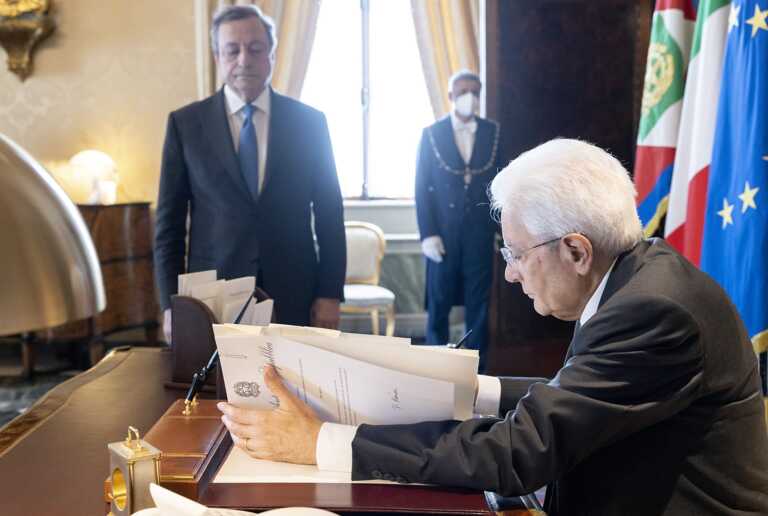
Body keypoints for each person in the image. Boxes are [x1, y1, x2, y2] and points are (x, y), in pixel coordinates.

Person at [218, 139, 768, 515]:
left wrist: (322, 441)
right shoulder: (639, 277)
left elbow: (517, 452)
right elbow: (577, 397)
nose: (508, 273)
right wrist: (460, 386)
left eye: (517, 253)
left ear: (576, 251)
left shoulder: (653, 313)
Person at [154, 5, 346, 339]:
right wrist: (171, 305)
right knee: (218, 375)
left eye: (255, 48)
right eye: (232, 50)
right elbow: (168, 227)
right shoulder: (185, 124)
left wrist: (330, 293)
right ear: (218, 57)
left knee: (292, 374)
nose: (244, 60)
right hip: (212, 295)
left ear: (272, 53)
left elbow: (330, 214)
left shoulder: (310, 123)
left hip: (294, 290)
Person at [415, 70, 502, 372]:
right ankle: (434, 370)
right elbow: (421, 187)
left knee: (479, 306)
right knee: (438, 303)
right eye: (464, 91)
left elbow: (502, 184)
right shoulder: (431, 133)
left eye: (475, 92)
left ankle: (476, 372)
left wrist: (502, 229)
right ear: (451, 96)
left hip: (480, 233)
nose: (470, 97)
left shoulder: (493, 132)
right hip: (442, 233)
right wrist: (428, 234)